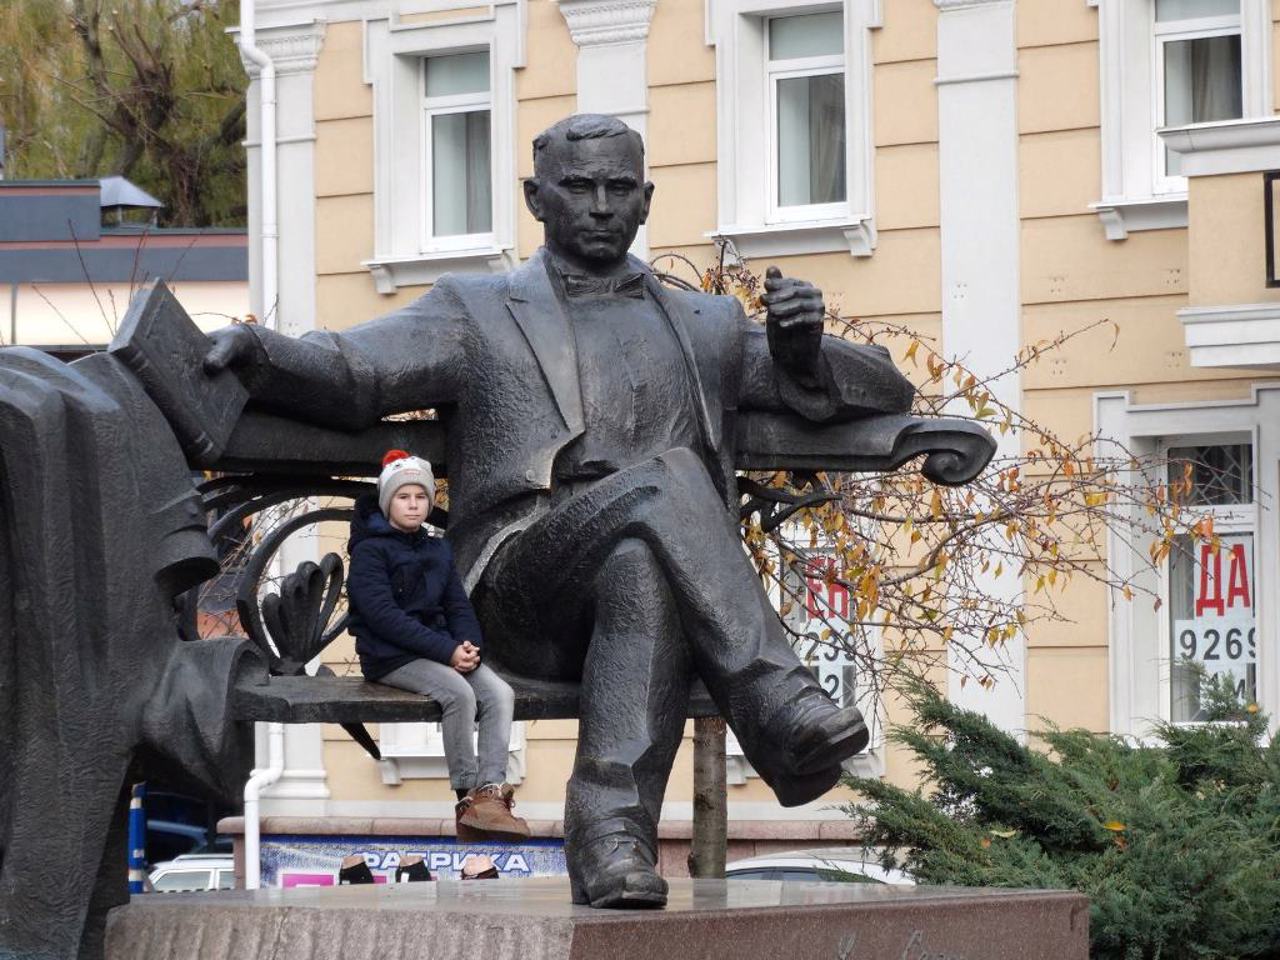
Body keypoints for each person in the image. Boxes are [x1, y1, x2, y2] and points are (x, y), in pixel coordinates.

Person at [204, 113, 916, 909]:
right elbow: (357, 367)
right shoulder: (476, 310)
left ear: (647, 200)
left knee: (642, 562)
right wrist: (263, 351)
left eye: (620, 188)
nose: (602, 205)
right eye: (580, 188)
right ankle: (779, 703)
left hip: (646, 589)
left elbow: (887, 388)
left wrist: (799, 351)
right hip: (518, 591)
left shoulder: (705, 324)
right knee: (672, 480)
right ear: (536, 198)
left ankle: (612, 841)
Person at [346, 449, 530, 842]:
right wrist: (446, 653)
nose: (413, 505)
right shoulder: (369, 552)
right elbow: (384, 618)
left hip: (442, 650)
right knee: (459, 695)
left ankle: (490, 794)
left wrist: (468, 646)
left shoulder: (436, 548)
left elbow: (456, 603)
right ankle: (467, 797)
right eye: (403, 497)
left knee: (500, 693)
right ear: (387, 502)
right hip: (391, 655)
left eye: (420, 497)